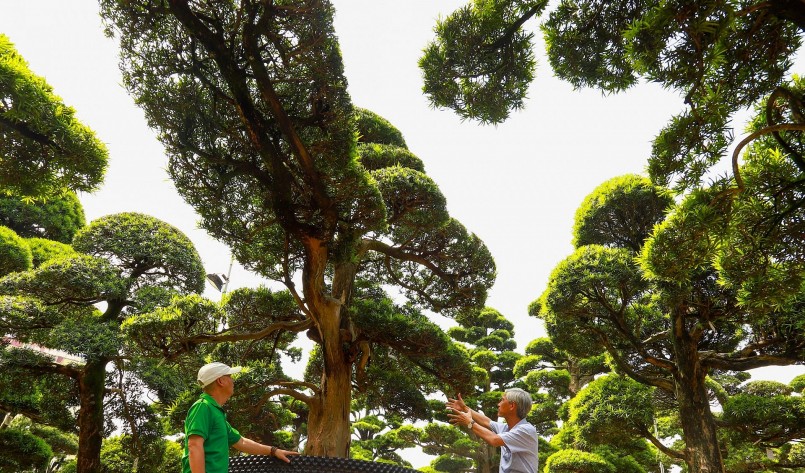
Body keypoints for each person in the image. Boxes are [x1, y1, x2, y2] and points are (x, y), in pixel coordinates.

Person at [182, 362, 300, 473]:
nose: (233, 381)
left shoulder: (216, 412)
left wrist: (274, 451)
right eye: (229, 376)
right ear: (220, 381)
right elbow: (194, 445)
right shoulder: (202, 406)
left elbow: (241, 442)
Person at [447, 388, 539, 473]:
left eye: (502, 400)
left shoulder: (526, 430)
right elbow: (486, 421)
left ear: (512, 405)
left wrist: (470, 423)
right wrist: (465, 408)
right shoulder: (506, 428)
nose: (498, 404)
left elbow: (494, 440)